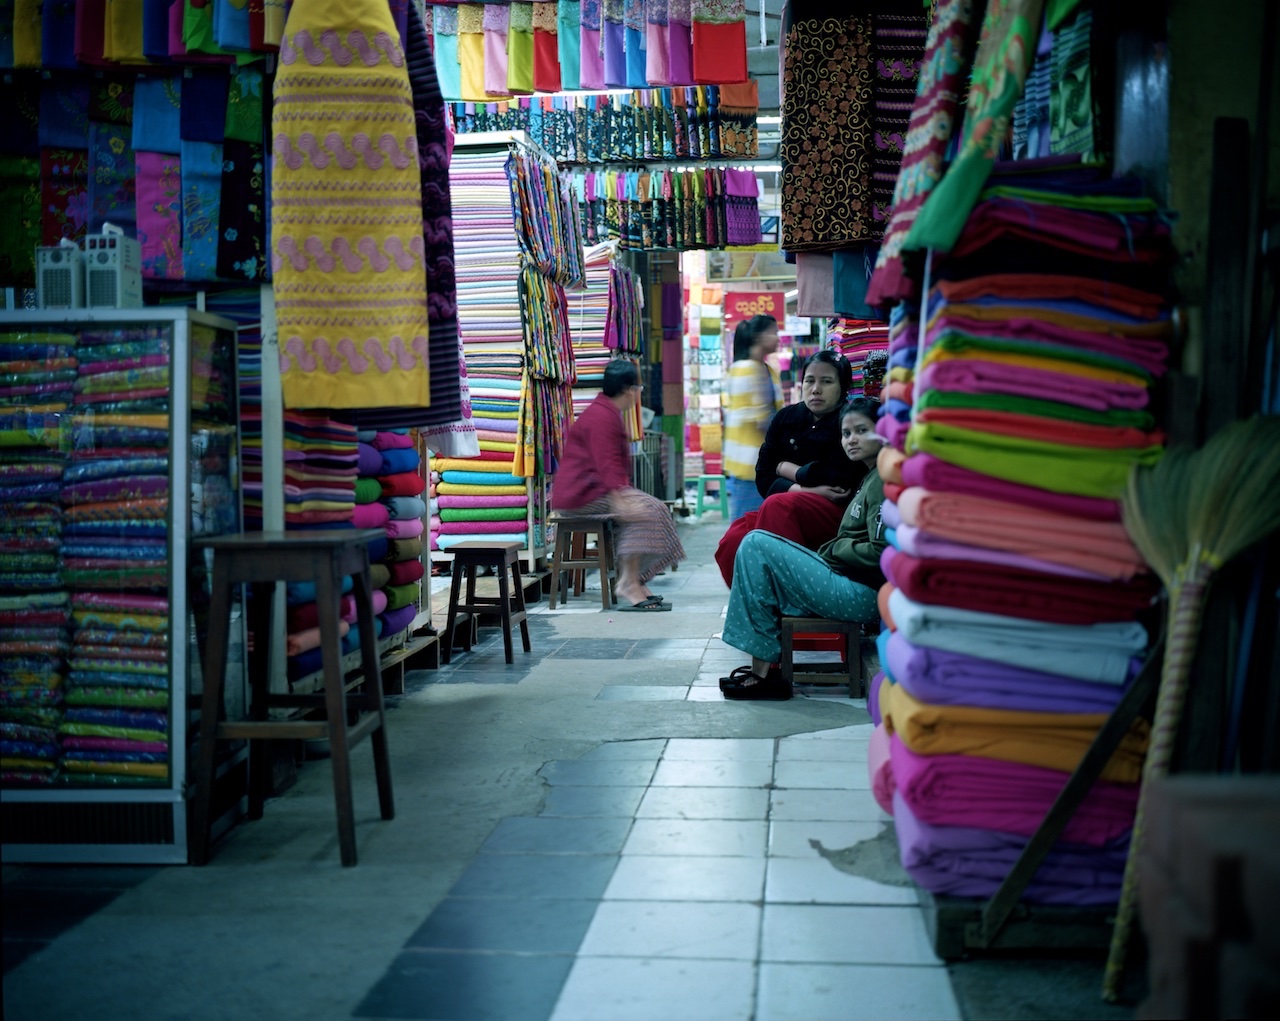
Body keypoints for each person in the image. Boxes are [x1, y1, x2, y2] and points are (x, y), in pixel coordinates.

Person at [719, 398, 888, 700]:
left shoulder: (882, 481)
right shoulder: (870, 477)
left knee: (756, 544)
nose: (852, 440)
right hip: (849, 585)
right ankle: (763, 670)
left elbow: (880, 552)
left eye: (862, 430)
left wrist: (837, 548)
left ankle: (765, 672)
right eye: (846, 433)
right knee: (748, 544)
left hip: (862, 595)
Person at [713, 350, 868, 587]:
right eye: (810, 381)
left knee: (776, 506)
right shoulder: (786, 417)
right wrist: (808, 489)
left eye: (826, 382)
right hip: (796, 502)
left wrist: (785, 468)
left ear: (843, 387)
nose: (816, 389)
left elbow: (838, 477)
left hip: (836, 512)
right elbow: (763, 476)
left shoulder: (849, 421)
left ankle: (790, 596)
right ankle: (755, 607)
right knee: (733, 539)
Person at [551, 359, 686, 611]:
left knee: (652, 507)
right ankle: (628, 583)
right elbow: (607, 462)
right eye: (638, 388)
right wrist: (620, 499)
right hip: (580, 496)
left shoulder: (605, 412)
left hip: (589, 491)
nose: (638, 394)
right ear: (629, 389)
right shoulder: (603, 416)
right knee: (645, 512)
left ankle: (636, 579)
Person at [721, 314, 783, 521]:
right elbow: (760, 419)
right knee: (746, 525)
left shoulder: (765, 369)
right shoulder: (746, 369)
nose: (777, 338)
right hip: (749, 464)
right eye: (773, 333)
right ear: (758, 337)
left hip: (760, 462)